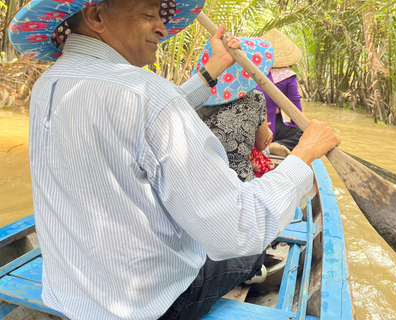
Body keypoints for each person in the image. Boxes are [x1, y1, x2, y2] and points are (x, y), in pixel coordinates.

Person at [9, 1, 341, 319]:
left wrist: (214, 68)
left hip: (71, 297)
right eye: (149, 14)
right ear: (97, 17)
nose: (162, 28)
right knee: (252, 244)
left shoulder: (49, 83)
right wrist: (303, 156)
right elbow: (240, 228)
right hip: (152, 308)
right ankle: (255, 270)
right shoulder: (148, 95)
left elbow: (151, 113)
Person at [193, 37, 274, 182]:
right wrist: (267, 133)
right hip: (239, 182)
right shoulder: (255, 98)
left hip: (200, 179)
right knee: (265, 149)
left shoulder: (195, 95)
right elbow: (261, 144)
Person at [256, 28, 305, 157]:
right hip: (267, 129)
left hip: (246, 124)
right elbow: (296, 112)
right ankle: (274, 145)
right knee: (305, 131)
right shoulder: (288, 76)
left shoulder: (250, 71)